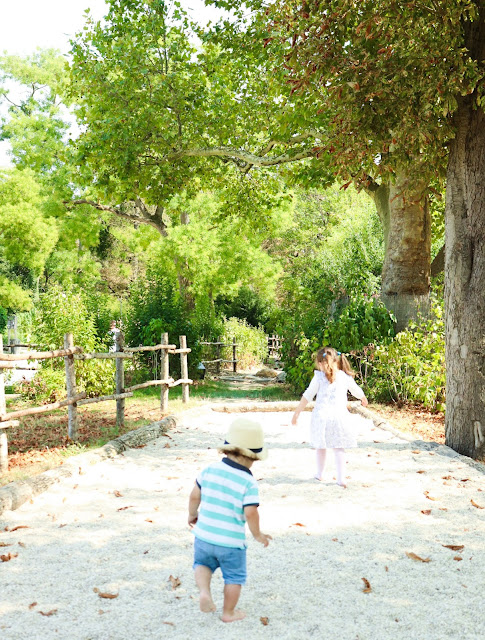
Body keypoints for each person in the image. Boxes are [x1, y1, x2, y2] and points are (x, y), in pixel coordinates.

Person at [188, 418, 272, 623]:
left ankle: (204, 593)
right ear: (253, 458)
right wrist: (257, 534)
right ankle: (228, 613)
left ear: (227, 449)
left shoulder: (208, 470)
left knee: (201, 564)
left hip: (204, 536)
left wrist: (192, 514)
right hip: (231, 544)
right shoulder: (248, 482)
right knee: (234, 578)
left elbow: (194, 496)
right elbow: (251, 513)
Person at [291, 346, 369, 488]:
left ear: (327, 362)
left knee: (323, 446)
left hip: (323, 417)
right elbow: (356, 390)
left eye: (321, 362)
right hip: (337, 417)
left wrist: (297, 412)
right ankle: (340, 478)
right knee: (338, 448)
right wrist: (363, 397)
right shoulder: (343, 377)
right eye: (320, 363)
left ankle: (322, 474)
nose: (320, 365)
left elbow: (308, 395)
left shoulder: (320, 377)